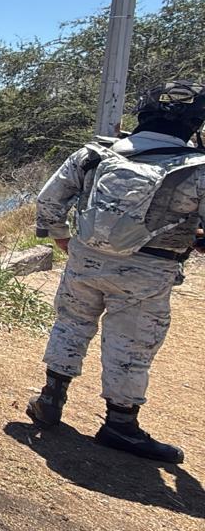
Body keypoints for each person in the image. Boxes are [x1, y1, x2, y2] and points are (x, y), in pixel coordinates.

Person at [27, 80, 205, 464]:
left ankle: (49, 399)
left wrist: (63, 240)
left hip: (85, 260)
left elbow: (48, 201)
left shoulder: (95, 154)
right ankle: (120, 425)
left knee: (70, 324)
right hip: (149, 270)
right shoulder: (198, 168)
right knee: (131, 346)